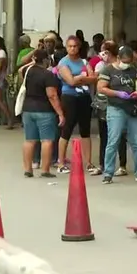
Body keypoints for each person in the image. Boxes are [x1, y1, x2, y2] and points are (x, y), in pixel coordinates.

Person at [97, 45, 137, 184]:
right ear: (118, 58)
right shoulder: (108, 70)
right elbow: (101, 87)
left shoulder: (133, 70)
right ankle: (108, 173)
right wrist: (117, 93)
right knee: (113, 140)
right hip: (116, 107)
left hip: (132, 108)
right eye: (124, 61)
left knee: (136, 141)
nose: (127, 64)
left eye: (129, 61)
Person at [19, 49, 65, 178]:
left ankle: (28, 169)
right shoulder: (48, 75)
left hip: (28, 110)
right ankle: (45, 170)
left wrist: (31, 63)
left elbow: (19, 70)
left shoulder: (26, 71)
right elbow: (52, 95)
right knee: (47, 141)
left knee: (29, 140)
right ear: (46, 60)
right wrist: (60, 113)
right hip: (44, 110)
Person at [56, 36, 97, 174]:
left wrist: (78, 78)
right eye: (70, 46)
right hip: (69, 98)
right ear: (66, 47)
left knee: (85, 130)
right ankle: (61, 163)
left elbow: (94, 79)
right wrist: (82, 78)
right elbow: (70, 82)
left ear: (79, 47)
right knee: (67, 130)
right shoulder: (63, 63)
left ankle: (89, 163)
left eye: (75, 46)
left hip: (84, 97)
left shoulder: (84, 61)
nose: (72, 48)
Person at [91, 41, 128, 176]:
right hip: (102, 103)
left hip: (116, 104)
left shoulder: (120, 67)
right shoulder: (101, 65)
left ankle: (122, 164)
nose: (101, 54)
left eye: (104, 51)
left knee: (119, 135)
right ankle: (103, 164)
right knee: (104, 135)